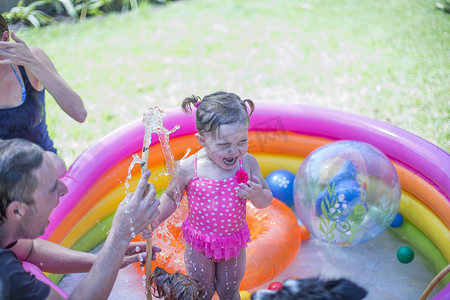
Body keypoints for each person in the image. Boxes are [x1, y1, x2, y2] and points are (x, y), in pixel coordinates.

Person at [0, 138, 160, 300]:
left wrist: (104, 259)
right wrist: (118, 238)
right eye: (52, 188)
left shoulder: (5, 226)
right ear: (17, 210)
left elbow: (29, 250)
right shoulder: (6, 275)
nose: (64, 189)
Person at [152, 91, 273, 300]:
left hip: (233, 244)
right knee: (202, 293)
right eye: (224, 145)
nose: (234, 151)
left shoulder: (248, 163)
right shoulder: (190, 169)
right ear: (202, 140)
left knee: (229, 292)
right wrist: (153, 220)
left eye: (242, 141)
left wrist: (256, 194)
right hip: (199, 245)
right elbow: (172, 198)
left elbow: (266, 199)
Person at [0, 15, 87, 153]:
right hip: (4, 171)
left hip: (41, 166)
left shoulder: (30, 60)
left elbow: (79, 113)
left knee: (55, 163)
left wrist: (32, 62)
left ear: (5, 38)